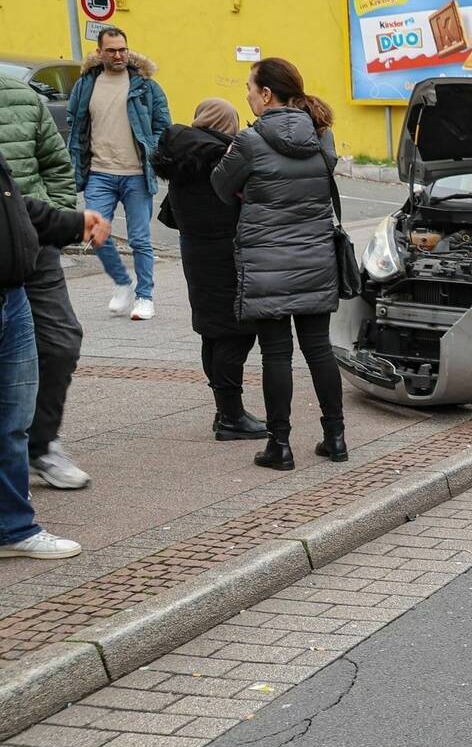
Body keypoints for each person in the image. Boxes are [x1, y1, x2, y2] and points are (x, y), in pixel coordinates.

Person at [211, 58, 346, 471]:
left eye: (250, 89)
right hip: (315, 257)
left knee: (276, 354)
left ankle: (280, 446)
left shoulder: (249, 142)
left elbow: (220, 185)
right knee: (319, 349)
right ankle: (336, 438)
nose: (248, 97)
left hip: (267, 261)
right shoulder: (322, 135)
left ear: (266, 94)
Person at [0, 154, 109, 559]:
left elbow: (14, 203)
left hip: (12, 293)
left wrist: (70, 222)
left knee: (11, 421)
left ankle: (12, 529)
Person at [154, 99, 266, 440]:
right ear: (225, 123)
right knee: (236, 331)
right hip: (224, 254)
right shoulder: (220, 157)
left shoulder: (180, 156)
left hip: (196, 253)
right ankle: (231, 416)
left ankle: (225, 412)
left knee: (213, 331)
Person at [0, 73, 90, 490]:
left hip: (32, 244)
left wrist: (58, 220)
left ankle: (40, 446)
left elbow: (56, 164)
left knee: (61, 341)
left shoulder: (21, 97)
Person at [65, 27, 170, 321]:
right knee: (95, 233)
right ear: (100, 53)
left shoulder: (146, 85)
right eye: (111, 50)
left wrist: (152, 152)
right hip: (99, 171)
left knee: (139, 240)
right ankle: (123, 283)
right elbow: (75, 122)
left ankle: (145, 297)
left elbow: (163, 125)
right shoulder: (86, 84)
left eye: (123, 49)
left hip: (136, 173)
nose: (119, 55)